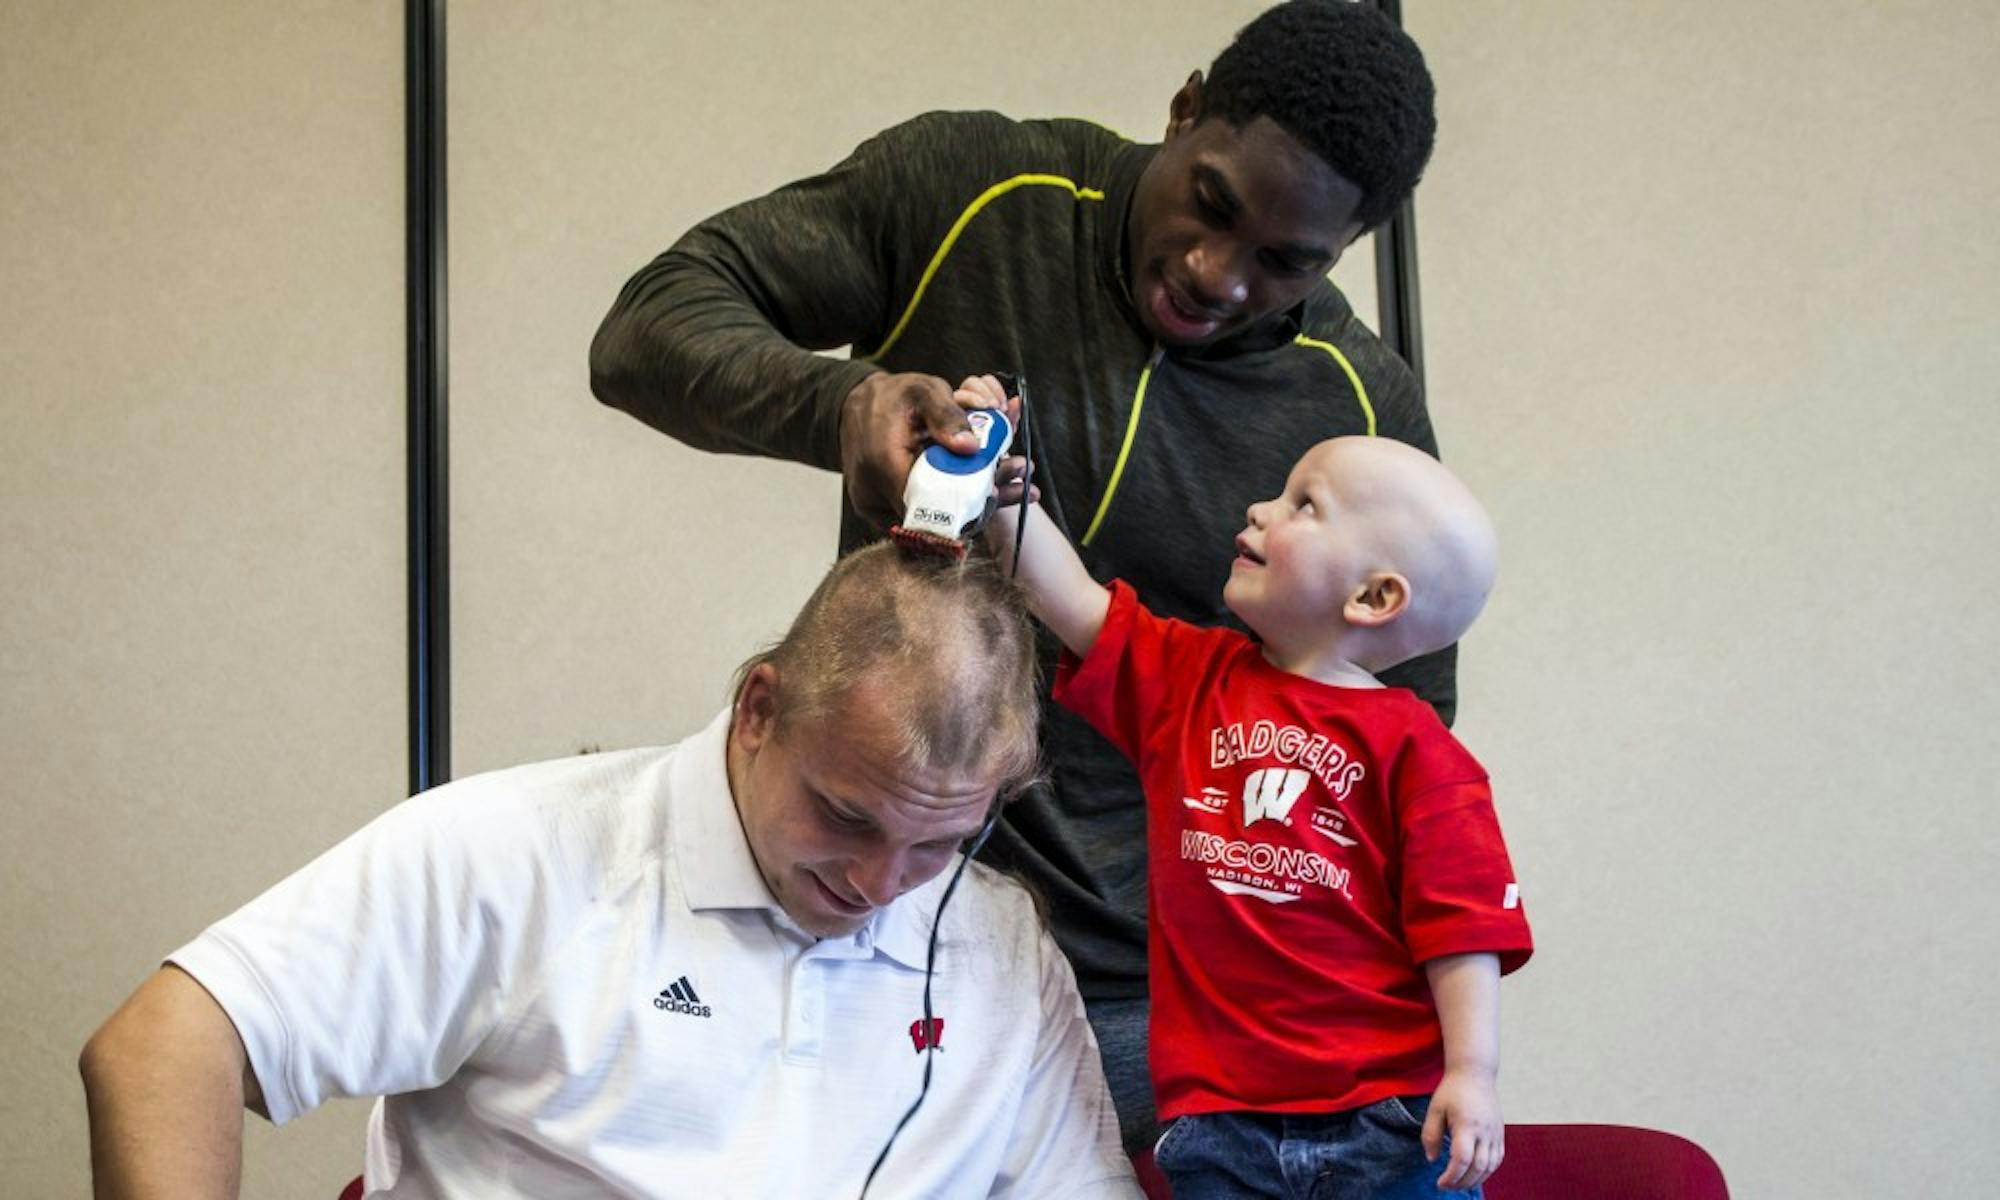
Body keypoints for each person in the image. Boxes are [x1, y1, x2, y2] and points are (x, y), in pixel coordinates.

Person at [590, 0, 1445, 1150]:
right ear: (1185, 108)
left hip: (1141, 1002)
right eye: (1209, 205)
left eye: (1283, 262)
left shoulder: (1357, 413)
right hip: (857, 917)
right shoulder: (977, 194)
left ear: (1347, 249)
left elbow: (1398, 760)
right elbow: (644, 330)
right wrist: (842, 409)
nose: (1211, 274)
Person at [78, 544, 1139, 1199]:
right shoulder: (527, 851)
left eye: (937, 843)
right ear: (759, 711)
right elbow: (163, 1045)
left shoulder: (999, 947)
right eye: (844, 815)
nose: (876, 881)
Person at [967, 369, 1531, 1197]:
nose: (1262, 509)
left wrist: (1473, 1075)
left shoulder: (1421, 753)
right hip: (1217, 1122)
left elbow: (1462, 930)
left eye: (1305, 504)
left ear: (1375, 597)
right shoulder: (1186, 680)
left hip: (1389, 1115)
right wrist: (998, 492)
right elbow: (1072, 602)